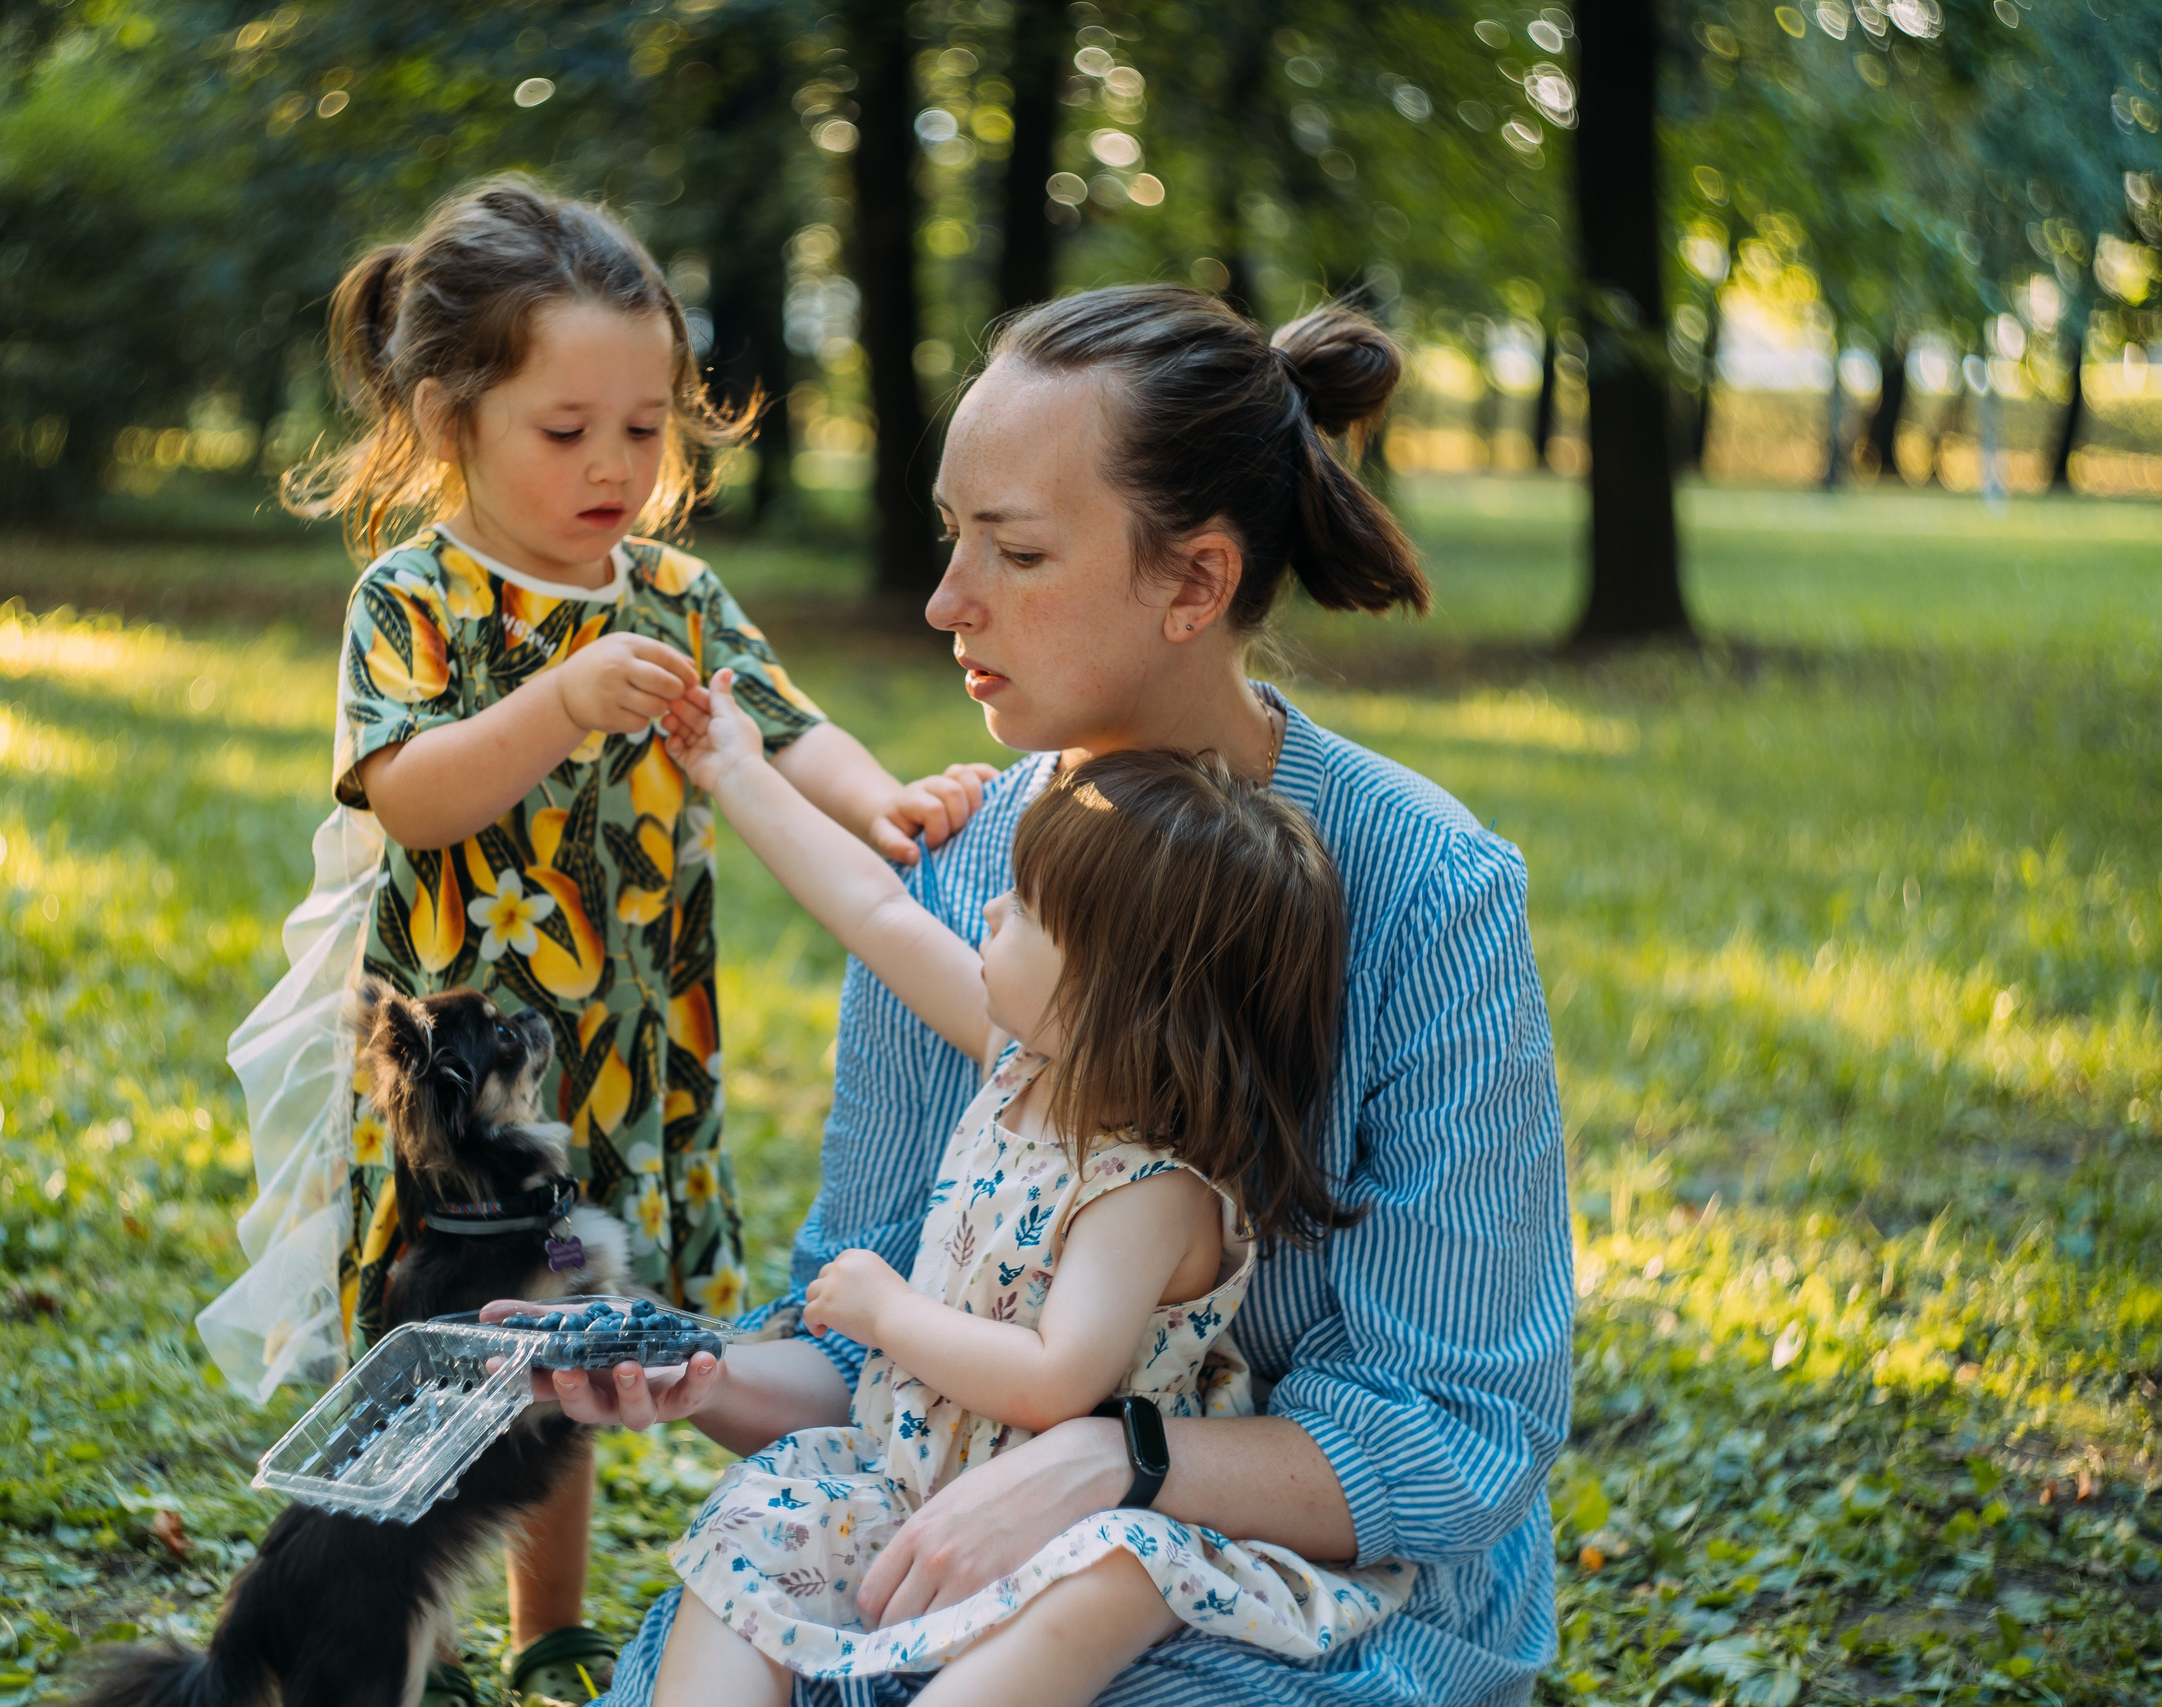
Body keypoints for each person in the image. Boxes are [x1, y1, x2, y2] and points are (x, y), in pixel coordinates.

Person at [557, 285, 1573, 1707]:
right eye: (950, 535)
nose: (945, 600)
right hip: (948, 1517)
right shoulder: (963, 862)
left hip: (1311, 1583)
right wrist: (699, 1372)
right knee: (741, 1621)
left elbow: (1455, 1437)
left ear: (1194, 583)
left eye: (1018, 550)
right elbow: (870, 1336)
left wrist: (1114, 1459)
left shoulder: (1426, 890)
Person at [199, 176, 993, 1704]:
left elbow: (785, 723)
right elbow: (412, 793)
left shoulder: (677, 593)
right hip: (465, 1076)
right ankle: (385, 1619)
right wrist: (559, 699)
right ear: (450, 418)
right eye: (566, 430)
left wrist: (884, 797)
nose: (616, 466)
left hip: (627, 1044)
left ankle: (544, 1624)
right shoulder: (416, 597)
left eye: (645, 426)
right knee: (444, 1337)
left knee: (576, 1333)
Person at [641, 679, 1420, 1703]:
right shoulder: (1017, 1065)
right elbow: (875, 908)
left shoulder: (1148, 1190)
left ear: (1110, 989)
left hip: (1075, 1520)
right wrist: (735, 770)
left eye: (1026, 907)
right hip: (917, 1482)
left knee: (1110, 1580)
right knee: (752, 1525)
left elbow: (1056, 1379)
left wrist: (888, 1312)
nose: (989, 908)